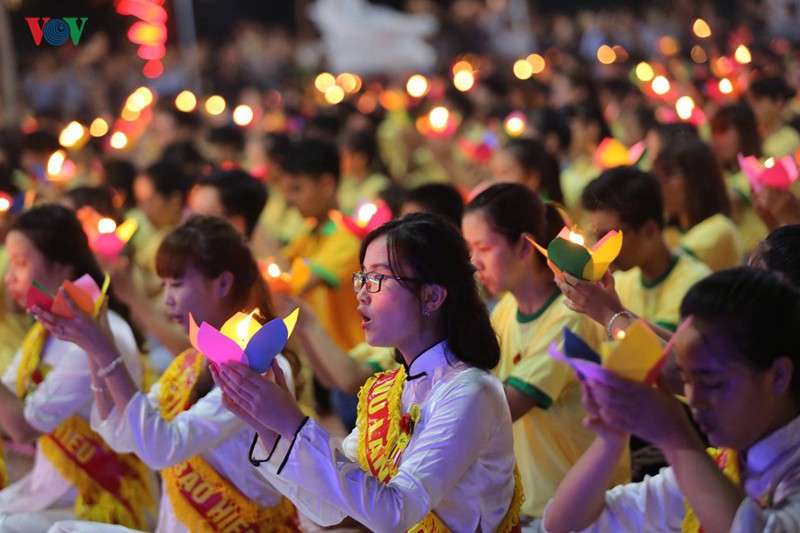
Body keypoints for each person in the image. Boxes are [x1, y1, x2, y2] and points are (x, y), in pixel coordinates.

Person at [213, 213, 522, 532]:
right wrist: (268, 427)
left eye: (377, 278)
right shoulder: (387, 389)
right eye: (361, 278)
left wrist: (293, 423)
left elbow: (395, 513)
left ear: (431, 295)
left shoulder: (471, 390)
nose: (361, 293)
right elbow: (330, 508)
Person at [37, 215, 302, 533]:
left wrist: (107, 351)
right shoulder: (190, 362)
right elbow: (123, 435)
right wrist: (93, 348)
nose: (167, 300)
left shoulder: (261, 366)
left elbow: (161, 447)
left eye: (176, 284)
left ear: (223, 284)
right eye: (163, 285)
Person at [543, 267, 800, 532]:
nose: (694, 400)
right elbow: (564, 523)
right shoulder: (726, 463)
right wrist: (612, 438)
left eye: (712, 383)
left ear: (779, 375)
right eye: (686, 380)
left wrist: (676, 437)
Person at [462, 183, 629, 527]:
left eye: (484, 248)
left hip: (585, 513)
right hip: (534, 508)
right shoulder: (506, 310)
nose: (474, 262)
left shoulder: (570, 317)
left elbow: (502, 407)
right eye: (470, 249)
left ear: (525, 246)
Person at [1, 204, 152, 531]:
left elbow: (23, 427)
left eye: (21, 263)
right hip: (47, 490)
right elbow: (8, 400)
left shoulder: (98, 335)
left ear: (62, 268)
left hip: (98, 498)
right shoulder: (46, 330)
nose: (9, 276)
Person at [652, 138, 742, 271]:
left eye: (669, 175)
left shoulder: (720, 227)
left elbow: (666, 269)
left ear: (698, 178)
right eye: (657, 178)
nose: (660, 186)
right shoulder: (668, 233)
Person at [710, 103, 768, 253]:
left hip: (761, 252)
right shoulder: (726, 174)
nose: (717, 139)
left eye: (723, 131)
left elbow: (731, 201)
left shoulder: (761, 166)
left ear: (744, 132)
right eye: (714, 132)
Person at [490, 138, 564, 204]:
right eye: (495, 173)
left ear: (531, 178)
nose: (496, 181)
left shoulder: (546, 212)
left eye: (505, 172)